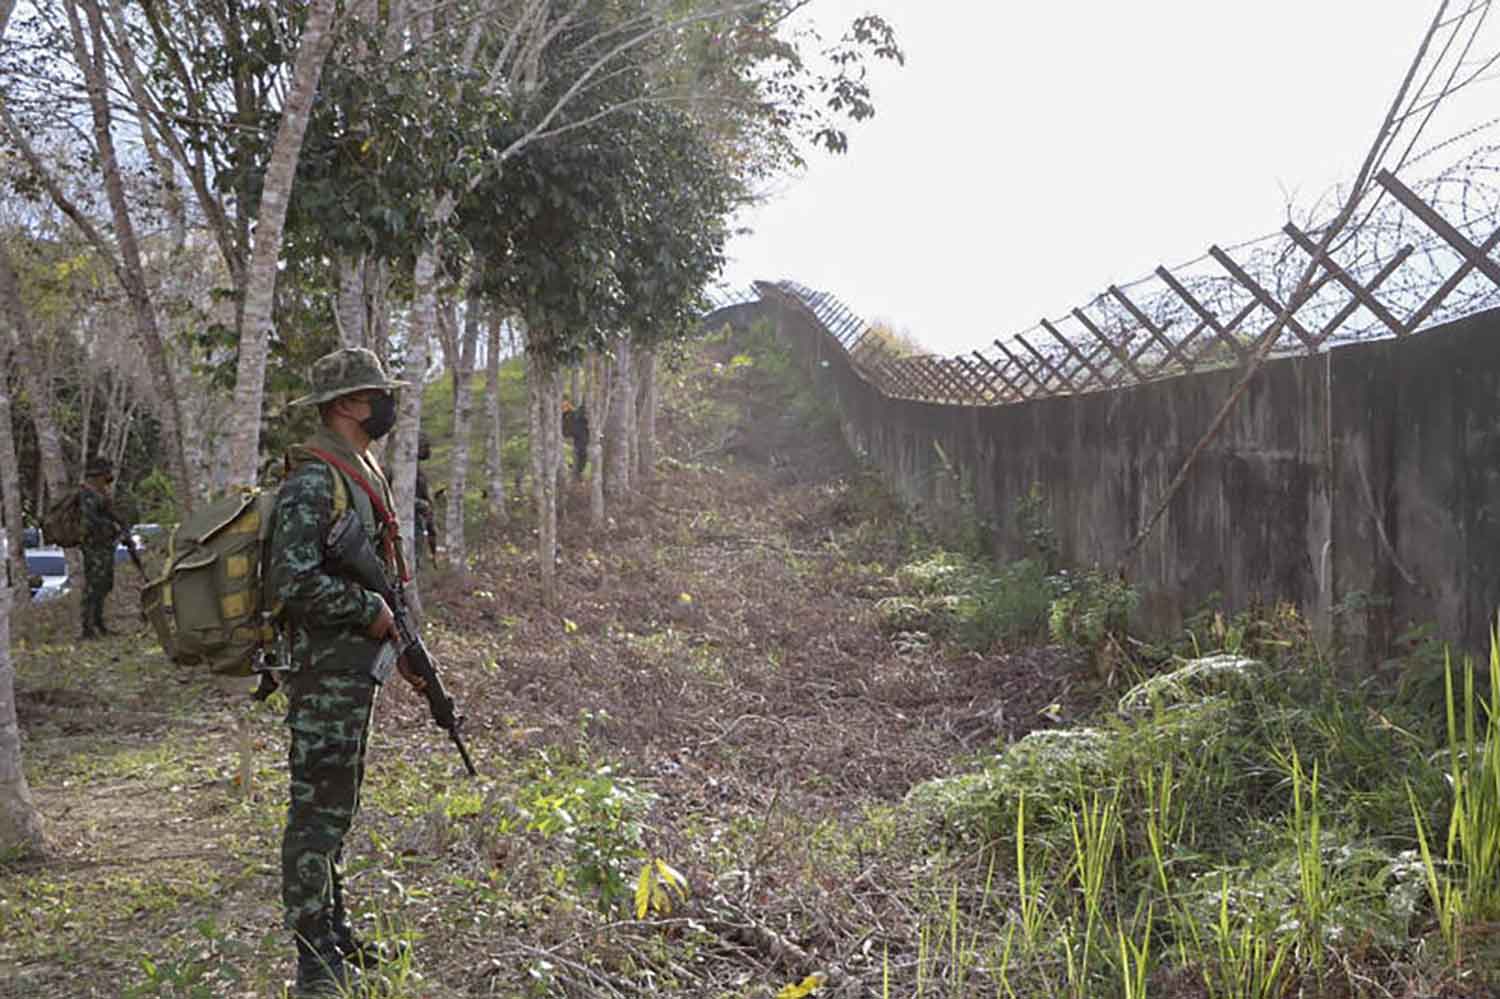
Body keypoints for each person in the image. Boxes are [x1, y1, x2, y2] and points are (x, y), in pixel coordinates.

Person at [268, 346, 424, 996]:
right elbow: (291, 579)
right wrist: (369, 609)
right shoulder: (313, 479)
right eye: (373, 395)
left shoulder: (362, 470)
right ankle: (313, 959)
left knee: (338, 807)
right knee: (316, 813)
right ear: (345, 405)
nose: (384, 405)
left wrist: (403, 642)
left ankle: (335, 932)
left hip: (351, 672)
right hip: (323, 672)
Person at [79, 457, 118, 640]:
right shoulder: (87, 493)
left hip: (104, 545)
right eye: (105, 475)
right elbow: (89, 521)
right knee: (93, 586)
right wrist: (110, 527)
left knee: (104, 584)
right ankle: (87, 628)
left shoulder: (101, 493)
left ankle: (98, 623)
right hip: (94, 546)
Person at [415, 433, 438, 566]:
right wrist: (421, 504)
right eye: (424, 446)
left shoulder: (419, 472)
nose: (427, 449)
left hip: (420, 522)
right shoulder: (395, 469)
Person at [561, 399, 589, 480]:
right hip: (576, 437)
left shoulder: (576, 414)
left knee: (582, 453)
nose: (565, 407)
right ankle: (577, 470)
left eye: (566, 405)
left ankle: (579, 471)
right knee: (581, 453)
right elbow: (565, 431)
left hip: (582, 436)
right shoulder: (564, 417)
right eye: (564, 406)